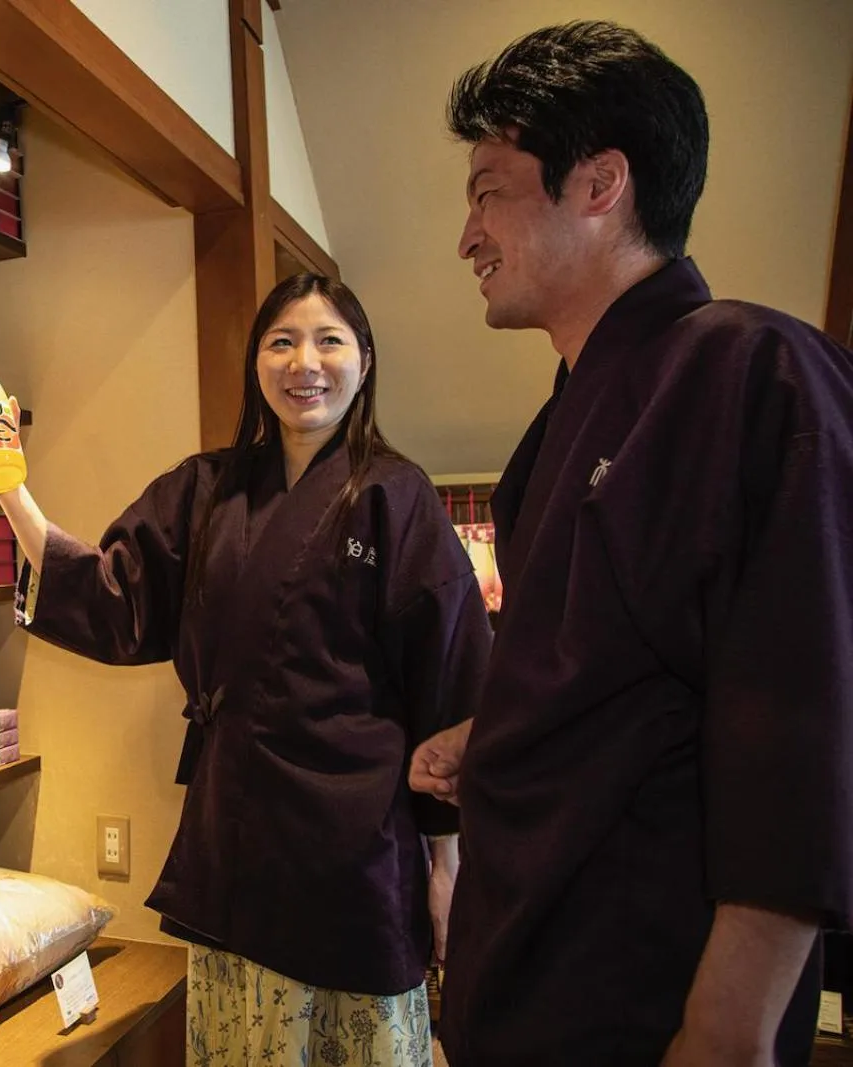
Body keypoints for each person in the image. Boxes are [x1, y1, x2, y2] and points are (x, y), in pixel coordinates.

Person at [408, 20, 853, 1067]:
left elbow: (800, 714)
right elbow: (625, 677)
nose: (466, 236)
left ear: (599, 183)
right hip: (525, 977)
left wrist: (728, 1025)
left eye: (487, 191)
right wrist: (496, 731)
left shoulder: (749, 370)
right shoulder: (567, 417)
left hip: (646, 997)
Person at [0, 273, 492, 1067]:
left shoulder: (397, 496)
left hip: (359, 847)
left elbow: (449, 688)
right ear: (256, 363)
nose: (305, 362)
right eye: (282, 341)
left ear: (365, 361)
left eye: (329, 340)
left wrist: (446, 866)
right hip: (234, 830)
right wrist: (7, 489)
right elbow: (114, 601)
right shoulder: (205, 489)